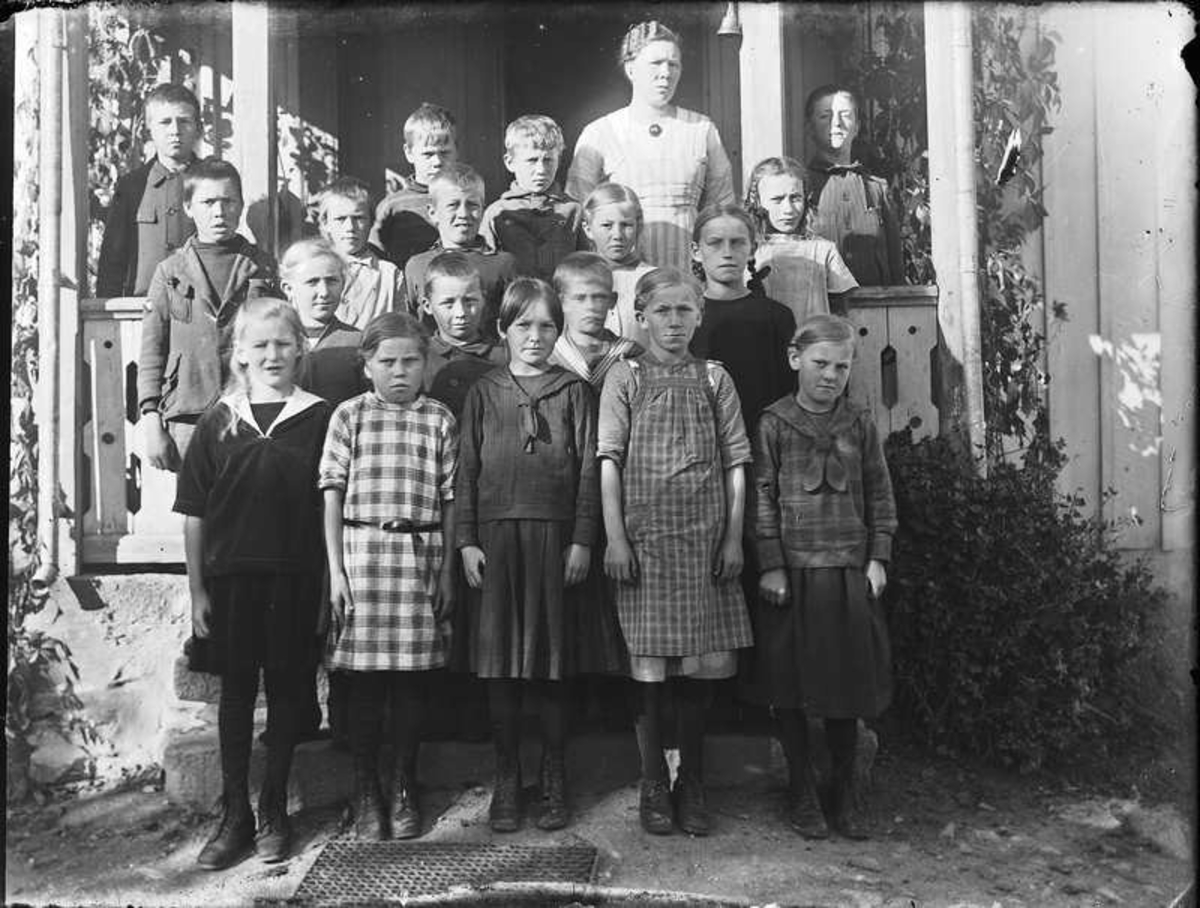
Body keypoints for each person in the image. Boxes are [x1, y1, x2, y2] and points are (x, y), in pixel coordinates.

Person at [456, 278, 620, 833]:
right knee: (501, 666)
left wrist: (583, 540)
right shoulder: (484, 391)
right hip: (497, 543)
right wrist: (467, 540)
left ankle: (553, 775)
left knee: (551, 664)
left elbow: (589, 471)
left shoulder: (573, 391)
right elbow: (466, 471)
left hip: (556, 542)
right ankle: (507, 776)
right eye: (523, 325)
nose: (535, 336)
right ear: (503, 329)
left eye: (547, 326)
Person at [175, 297, 332, 869]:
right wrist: (198, 590)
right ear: (239, 353)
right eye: (260, 345)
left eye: (283, 343)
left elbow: (330, 506)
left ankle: (274, 808)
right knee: (237, 693)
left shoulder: (320, 418)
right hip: (232, 582)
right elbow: (194, 513)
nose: (272, 354)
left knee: (288, 689)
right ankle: (235, 812)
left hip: (295, 579)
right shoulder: (220, 421)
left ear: (300, 349)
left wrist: (327, 585)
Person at [597, 267, 753, 837]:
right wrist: (616, 538)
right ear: (641, 317)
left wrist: (732, 536)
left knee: (697, 669)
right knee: (650, 671)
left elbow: (737, 462)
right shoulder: (626, 376)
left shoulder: (715, 378)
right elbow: (609, 461)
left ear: (699, 315)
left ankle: (693, 781)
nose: (673, 322)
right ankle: (652, 781)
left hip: (703, 544)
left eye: (684, 310)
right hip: (645, 545)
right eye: (662, 311)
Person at [747, 314, 897, 841]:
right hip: (794, 575)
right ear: (795, 359)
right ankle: (802, 790)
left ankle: (844, 791)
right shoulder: (774, 423)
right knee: (791, 685)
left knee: (846, 685)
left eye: (841, 367)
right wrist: (771, 563)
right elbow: (761, 497)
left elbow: (879, 490)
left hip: (848, 571)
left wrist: (878, 556)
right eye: (820, 364)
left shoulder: (859, 422)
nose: (830, 376)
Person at [320, 313, 459, 841]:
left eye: (410, 361)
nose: (399, 372)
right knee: (364, 683)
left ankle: (403, 785)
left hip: (419, 556)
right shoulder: (349, 416)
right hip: (363, 557)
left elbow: (451, 499)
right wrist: (336, 571)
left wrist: (446, 572)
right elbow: (331, 495)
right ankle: (365, 790)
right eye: (387, 362)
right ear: (367, 366)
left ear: (426, 364)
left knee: (409, 681)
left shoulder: (439, 419)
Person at [138, 157, 277, 472]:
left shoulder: (264, 268)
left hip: (251, 411)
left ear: (241, 205)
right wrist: (151, 421)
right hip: (188, 414)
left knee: (250, 497)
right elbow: (151, 353)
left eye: (228, 201)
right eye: (208, 202)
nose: (219, 211)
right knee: (195, 500)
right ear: (188, 207)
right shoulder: (170, 271)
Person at [567, 21, 735, 274]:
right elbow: (581, 211)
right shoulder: (599, 133)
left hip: (688, 270)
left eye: (674, 64)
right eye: (656, 63)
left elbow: (721, 207)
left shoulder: (701, 129)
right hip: (621, 272)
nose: (666, 73)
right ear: (631, 69)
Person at [689, 204, 797, 435]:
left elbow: (791, 393)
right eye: (715, 243)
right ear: (696, 251)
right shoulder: (684, 319)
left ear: (752, 249)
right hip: (701, 442)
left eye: (737, 243)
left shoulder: (777, 316)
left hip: (764, 443)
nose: (727, 252)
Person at [97, 83, 201, 298]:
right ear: (148, 129)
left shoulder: (211, 181)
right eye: (165, 122)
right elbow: (112, 262)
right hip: (142, 307)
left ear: (198, 127)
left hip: (198, 306)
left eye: (184, 121)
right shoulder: (131, 186)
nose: (175, 131)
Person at [804, 86, 904, 287]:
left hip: (874, 303)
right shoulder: (800, 186)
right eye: (825, 116)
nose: (836, 123)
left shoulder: (876, 189)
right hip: (821, 302)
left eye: (845, 115)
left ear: (857, 127)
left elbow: (895, 267)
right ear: (810, 128)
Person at [403, 164, 518, 332]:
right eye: (453, 205)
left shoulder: (502, 265)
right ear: (433, 212)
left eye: (472, 205)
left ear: (483, 209)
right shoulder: (417, 266)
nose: (463, 214)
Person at [744, 157, 858, 325]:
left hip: (812, 338)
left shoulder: (822, 250)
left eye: (795, 198)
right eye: (777, 200)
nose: (788, 210)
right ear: (757, 201)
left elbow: (841, 308)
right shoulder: (748, 250)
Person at [481, 115, 585, 281]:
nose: (541, 170)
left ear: (559, 161)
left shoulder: (574, 211)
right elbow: (487, 270)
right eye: (532, 160)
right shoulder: (497, 213)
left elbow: (587, 267)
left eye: (548, 160)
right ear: (510, 162)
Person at [419, 251, 509, 417]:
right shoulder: (419, 358)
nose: (460, 313)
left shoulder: (504, 358)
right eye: (448, 303)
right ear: (427, 305)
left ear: (484, 299)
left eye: (469, 301)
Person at [370, 102, 457, 271]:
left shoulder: (465, 198)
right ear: (409, 153)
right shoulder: (392, 206)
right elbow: (376, 257)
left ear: (456, 150)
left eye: (445, 152)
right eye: (428, 154)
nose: (437, 161)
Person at [284, 238, 369, 408]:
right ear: (289, 288)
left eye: (332, 281)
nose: (324, 292)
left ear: (343, 284)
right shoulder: (274, 341)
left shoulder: (359, 342)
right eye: (312, 282)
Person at [316, 176, 404, 330]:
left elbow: (400, 328)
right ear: (325, 223)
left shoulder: (390, 274)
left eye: (358, 218)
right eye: (340, 219)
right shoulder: (312, 270)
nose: (350, 227)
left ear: (371, 221)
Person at [548, 251, 643, 389]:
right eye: (580, 298)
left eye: (599, 297)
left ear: (612, 300)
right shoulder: (549, 354)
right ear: (561, 302)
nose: (591, 307)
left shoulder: (631, 354)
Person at [581, 183, 655, 349]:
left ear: (638, 227)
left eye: (626, 225)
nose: (617, 235)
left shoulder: (653, 280)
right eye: (607, 225)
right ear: (588, 229)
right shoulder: (576, 279)